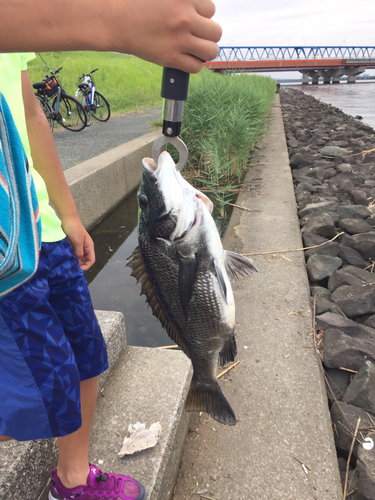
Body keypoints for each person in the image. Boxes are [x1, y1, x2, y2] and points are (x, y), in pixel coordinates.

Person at [0, 2, 222, 499]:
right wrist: (114, 23)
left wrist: (70, 214)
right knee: (28, 389)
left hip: (45, 228)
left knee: (86, 355)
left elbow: (31, 115)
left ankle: (72, 479)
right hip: (4, 251)